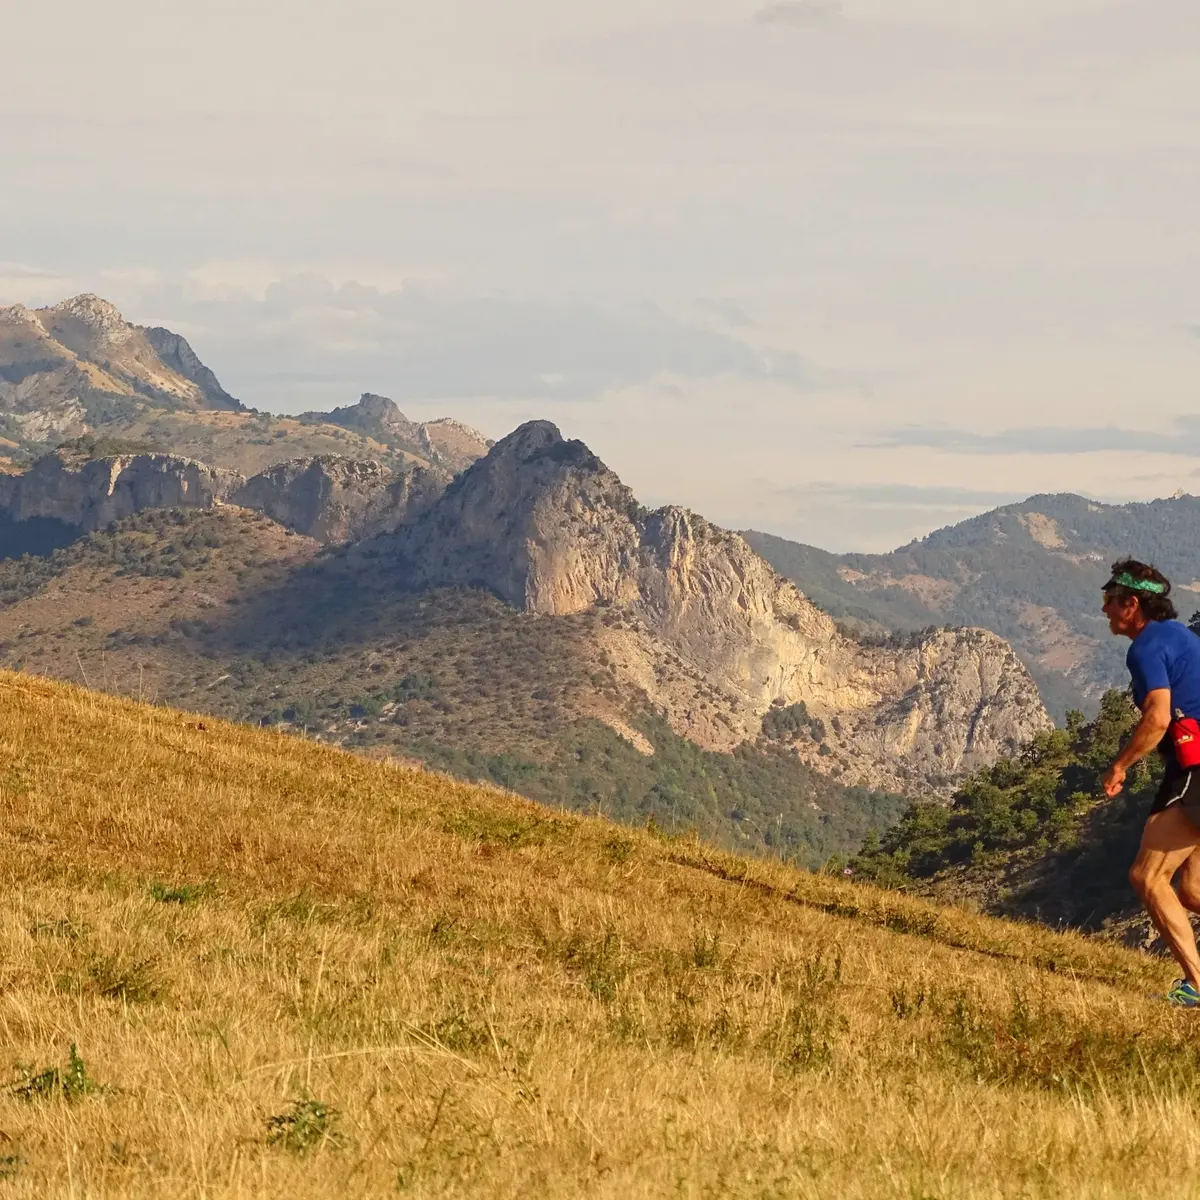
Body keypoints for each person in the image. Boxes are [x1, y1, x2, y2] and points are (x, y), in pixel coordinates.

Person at [1101, 558, 1200, 1006]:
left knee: (1147, 875)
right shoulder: (1179, 635)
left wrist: (1120, 765)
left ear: (1132, 604)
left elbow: (1158, 718)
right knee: (1192, 891)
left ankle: (1197, 986)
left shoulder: (1144, 649)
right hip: (1189, 767)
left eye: (1110, 599)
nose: (1104, 608)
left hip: (1196, 769)